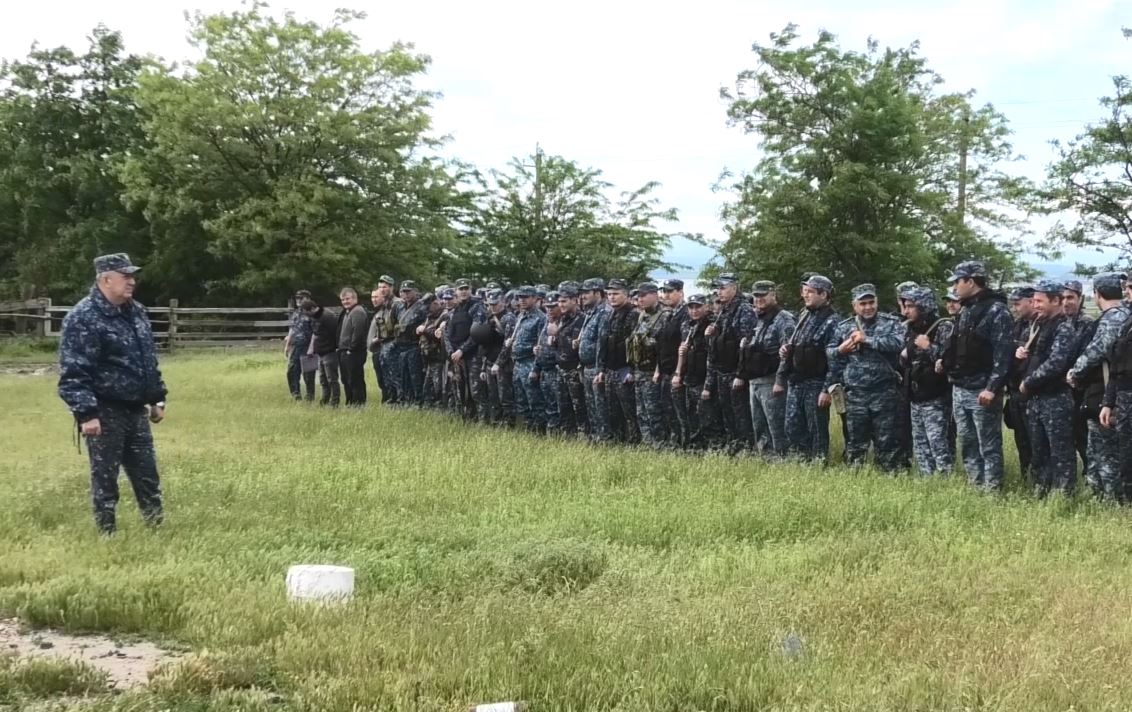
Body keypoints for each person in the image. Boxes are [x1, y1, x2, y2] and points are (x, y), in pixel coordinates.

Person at [58, 253, 167, 535]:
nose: (132, 281)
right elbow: (74, 372)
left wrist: (157, 398)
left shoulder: (136, 311)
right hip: (104, 409)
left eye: (132, 275)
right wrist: (87, 414)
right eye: (125, 276)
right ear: (106, 279)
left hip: (135, 409)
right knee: (105, 476)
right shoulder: (83, 317)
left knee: (147, 474)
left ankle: (156, 527)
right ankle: (108, 532)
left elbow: (147, 359)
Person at [940, 261, 1014, 492]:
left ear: (970, 281)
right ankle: (976, 485)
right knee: (968, 441)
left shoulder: (997, 311)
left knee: (988, 444)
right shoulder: (966, 309)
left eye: (957, 281)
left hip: (982, 389)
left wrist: (992, 388)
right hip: (961, 386)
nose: (954, 287)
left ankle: (992, 490)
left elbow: (1003, 355)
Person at [827, 284, 905, 471]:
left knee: (887, 443)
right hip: (856, 394)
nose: (868, 307)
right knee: (855, 442)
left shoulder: (891, 322)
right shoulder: (844, 326)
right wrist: (840, 350)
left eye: (871, 302)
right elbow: (829, 352)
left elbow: (899, 343)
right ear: (855, 306)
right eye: (863, 303)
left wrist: (867, 340)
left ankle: (889, 477)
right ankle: (856, 477)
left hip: (884, 392)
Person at [1068, 272, 1129, 501]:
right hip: (1116, 391)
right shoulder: (1126, 316)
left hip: (1105, 393)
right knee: (1099, 449)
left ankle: (1111, 501)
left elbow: (1096, 351)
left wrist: (1074, 372)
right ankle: (1100, 498)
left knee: (1105, 452)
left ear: (1097, 294)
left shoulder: (1111, 319)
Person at [1018, 280, 1078, 497]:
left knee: (1060, 451)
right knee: (1039, 451)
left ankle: (1063, 496)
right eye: (1033, 301)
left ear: (1055, 301)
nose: (1036, 305)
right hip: (1036, 400)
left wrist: (1028, 382)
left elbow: (1056, 363)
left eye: (1040, 301)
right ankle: (1040, 492)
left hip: (1055, 399)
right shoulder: (1041, 325)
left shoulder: (1063, 328)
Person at [779, 274, 839, 463]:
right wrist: (787, 350)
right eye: (805, 291)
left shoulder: (832, 321)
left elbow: (835, 360)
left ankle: (818, 465)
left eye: (810, 292)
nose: (805, 295)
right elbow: (798, 344)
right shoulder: (804, 315)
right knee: (792, 428)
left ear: (824, 294)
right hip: (796, 381)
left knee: (817, 431)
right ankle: (799, 464)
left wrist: (826, 389)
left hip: (816, 383)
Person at [901, 287, 955, 476]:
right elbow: (905, 358)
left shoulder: (943, 326)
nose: (906, 311)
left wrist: (928, 347)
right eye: (905, 306)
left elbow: (948, 359)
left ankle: (944, 480)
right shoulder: (909, 327)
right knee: (920, 443)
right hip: (915, 394)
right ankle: (926, 479)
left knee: (938, 443)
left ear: (923, 307)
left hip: (936, 396)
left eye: (910, 306)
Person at [742, 280, 795, 458]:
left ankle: (782, 459)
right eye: (756, 296)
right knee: (760, 426)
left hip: (772, 381)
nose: (759, 299)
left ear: (773, 295)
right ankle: (766, 459)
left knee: (776, 426)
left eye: (763, 295)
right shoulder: (756, 319)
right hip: (755, 381)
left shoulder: (784, 319)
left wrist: (780, 381)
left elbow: (787, 352)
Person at [705, 273, 756, 454]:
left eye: (723, 287)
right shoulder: (724, 311)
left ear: (734, 288)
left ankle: (746, 450)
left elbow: (746, 345)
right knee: (727, 414)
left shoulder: (744, 310)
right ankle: (734, 447)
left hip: (736, 373)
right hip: (722, 372)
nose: (719, 292)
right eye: (717, 288)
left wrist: (741, 374)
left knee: (741, 415)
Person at [596, 279, 640, 443]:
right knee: (613, 411)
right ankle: (618, 442)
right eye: (609, 294)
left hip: (625, 370)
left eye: (616, 294)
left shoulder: (633, 315)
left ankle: (634, 443)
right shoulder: (609, 315)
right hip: (610, 370)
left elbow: (636, 345)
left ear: (626, 295)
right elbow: (603, 344)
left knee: (630, 412)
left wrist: (632, 370)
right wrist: (601, 369)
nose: (612, 297)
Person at [628, 282, 668, 447]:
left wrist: (658, 371)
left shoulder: (664, 315)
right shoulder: (641, 315)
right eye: (638, 296)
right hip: (639, 370)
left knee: (654, 411)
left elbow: (664, 347)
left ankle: (659, 444)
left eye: (644, 295)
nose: (640, 299)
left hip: (654, 371)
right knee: (641, 411)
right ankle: (647, 443)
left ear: (655, 295)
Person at [1005, 287, 1035, 481]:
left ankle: (1039, 479)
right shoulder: (1016, 325)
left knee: (1036, 442)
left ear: (1030, 301)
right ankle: (1027, 477)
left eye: (1018, 303)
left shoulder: (1038, 326)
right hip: (1015, 390)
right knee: (1021, 439)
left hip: (1031, 391)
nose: (1015, 308)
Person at [654, 279, 688, 448]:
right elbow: (662, 345)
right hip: (665, 370)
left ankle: (684, 446)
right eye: (664, 291)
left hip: (677, 372)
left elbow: (684, 346)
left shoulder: (685, 314)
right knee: (668, 411)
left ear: (680, 292)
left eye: (670, 291)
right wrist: (658, 369)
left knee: (680, 413)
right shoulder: (669, 314)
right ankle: (673, 443)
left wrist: (678, 373)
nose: (665, 295)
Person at [578, 278, 612, 442]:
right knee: (591, 406)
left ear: (598, 293)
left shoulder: (604, 313)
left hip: (596, 368)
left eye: (587, 292)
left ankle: (604, 439)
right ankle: (596, 436)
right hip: (586, 367)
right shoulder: (591, 313)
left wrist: (600, 370)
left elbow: (602, 343)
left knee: (601, 407)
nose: (583, 296)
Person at [510, 286, 548, 433]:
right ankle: (527, 431)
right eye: (520, 297)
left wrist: (535, 368)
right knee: (521, 401)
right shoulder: (521, 316)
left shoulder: (540, 318)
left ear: (535, 298)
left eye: (526, 297)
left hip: (530, 363)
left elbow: (540, 345)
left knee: (535, 401)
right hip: (518, 363)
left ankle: (539, 432)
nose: (522, 300)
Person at [554, 284, 588, 436]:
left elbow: (578, 346)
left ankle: (583, 435)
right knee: (563, 405)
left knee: (579, 406)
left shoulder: (582, 319)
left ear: (574, 300)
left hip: (574, 369)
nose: (561, 305)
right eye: (559, 302)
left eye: (564, 301)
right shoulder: (562, 319)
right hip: (561, 368)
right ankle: (567, 435)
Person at [303, 297, 341, 407]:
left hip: (330, 352)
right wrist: (311, 348)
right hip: (319, 353)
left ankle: (335, 402)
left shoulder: (328, 316)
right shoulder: (314, 318)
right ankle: (324, 400)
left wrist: (336, 347)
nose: (307, 316)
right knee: (323, 379)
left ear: (313, 308)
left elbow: (336, 333)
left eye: (307, 313)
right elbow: (315, 333)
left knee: (332, 379)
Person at [368, 275, 399, 404]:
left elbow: (399, 326)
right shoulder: (384, 305)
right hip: (383, 346)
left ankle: (399, 402)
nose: (382, 290)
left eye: (385, 287)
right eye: (380, 287)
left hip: (394, 346)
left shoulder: (397, 303)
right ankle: (390, 401)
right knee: (386, 378)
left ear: (391, 288)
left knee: (396, 377)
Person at [336, 287, 369, 407]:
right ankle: (350, 401)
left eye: (347, 299)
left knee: (355, 379)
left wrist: (351, 349)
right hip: (343, 351)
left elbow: (358, 332)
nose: (345, 302)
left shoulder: (358, 312)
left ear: (355, 298)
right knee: (346, 379)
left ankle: (358, 403)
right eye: (343, 300)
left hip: (354, 352)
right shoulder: (347, 312)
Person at [284, 289, 315, 401]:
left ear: (308, 299)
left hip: (308, 346)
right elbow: (292, 329)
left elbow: (316, 333)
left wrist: (312, 348)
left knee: (308, 374)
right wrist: (287, 346)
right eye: (297, 298)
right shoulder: (296, 313)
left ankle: (310, 396)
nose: (298, 300)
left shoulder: (313, 313)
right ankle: (295, 394)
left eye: (301, 298)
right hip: (296, 346)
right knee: (292, 371)